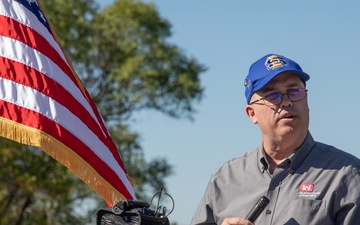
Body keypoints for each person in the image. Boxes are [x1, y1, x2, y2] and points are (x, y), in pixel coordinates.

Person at [190, 54, 360, 225]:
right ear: (252, 113)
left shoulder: (348, 175)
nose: (286, 102)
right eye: (272, 95)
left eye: (294, 91)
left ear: (306, 100)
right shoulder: (224, 180)